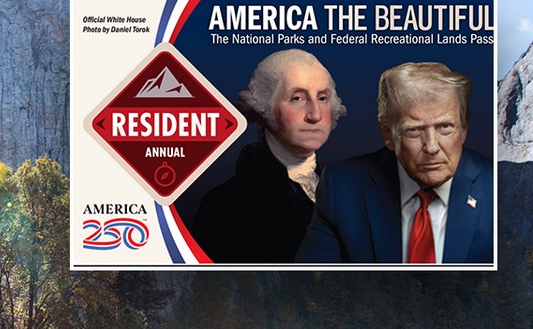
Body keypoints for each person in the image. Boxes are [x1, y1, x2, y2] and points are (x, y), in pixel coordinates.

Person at [296, 62, 493, 264]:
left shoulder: (497, 187)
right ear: (387, 134)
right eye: (414, 130)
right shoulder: (341, 188)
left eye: (445, 127)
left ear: (464, 128)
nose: (432, 147)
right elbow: (310, 276)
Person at [192, 48, 346, 263]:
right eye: (297, 98)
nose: (315, 114)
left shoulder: (346, 190)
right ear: (265, 107)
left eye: (322, 98)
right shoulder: (224, 205)